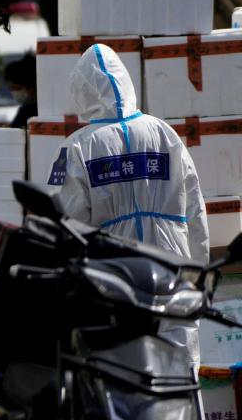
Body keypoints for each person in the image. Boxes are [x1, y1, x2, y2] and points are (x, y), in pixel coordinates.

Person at [49, 44, 209, 367]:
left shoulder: (78, 148)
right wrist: (198, 275)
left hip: (113, 282)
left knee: (120, 383)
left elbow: (63, 223)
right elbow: (195, 211)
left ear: (80, 92)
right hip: (171, 275)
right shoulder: (165, 135)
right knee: (180, 380)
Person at [5, 53, 38, 129]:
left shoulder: (28, 111)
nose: (14, 93)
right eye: (11, 89)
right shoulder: (27, 110)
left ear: (30, 87)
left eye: (17, 88)